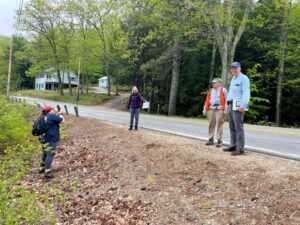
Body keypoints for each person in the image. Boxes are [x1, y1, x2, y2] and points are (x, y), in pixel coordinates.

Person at [223, 62, 250, 156]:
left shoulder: (244, 78)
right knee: (231, 126)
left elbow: (246, 92)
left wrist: (243, 105)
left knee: (238, 127)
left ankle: (240, 148)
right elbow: (230, 94)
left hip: (238, 105)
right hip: (231, 104)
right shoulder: (233, 79)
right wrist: (227, 108)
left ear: (240, 68)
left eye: (235, 68)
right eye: (232, 68)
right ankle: (233, 145)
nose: (233, 69)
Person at [39, 105, 64, 178]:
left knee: (45, 153)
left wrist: (58, 114)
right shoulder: (51, 116)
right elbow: (62, 121)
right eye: (53, 109)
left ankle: (41, 168)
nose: (53, 110)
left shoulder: (42, 116)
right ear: (50, 110)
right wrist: (61, 114)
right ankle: (47, 172)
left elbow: (53, 120)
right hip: (51, 138)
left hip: (43, 138)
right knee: (50, 154)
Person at [203, 78, 227, 147]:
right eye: (212, 83)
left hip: (220, 109)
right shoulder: (211, 90)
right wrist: (205, 108)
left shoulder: (223, 90)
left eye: (214, 83)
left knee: (219, 124)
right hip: (211, 108)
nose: (213, 84)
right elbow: (207, 100)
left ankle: (219, 141)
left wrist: (225, 109)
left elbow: (226, 100)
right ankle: (211, 140)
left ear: (219, 83)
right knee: (211, 124)